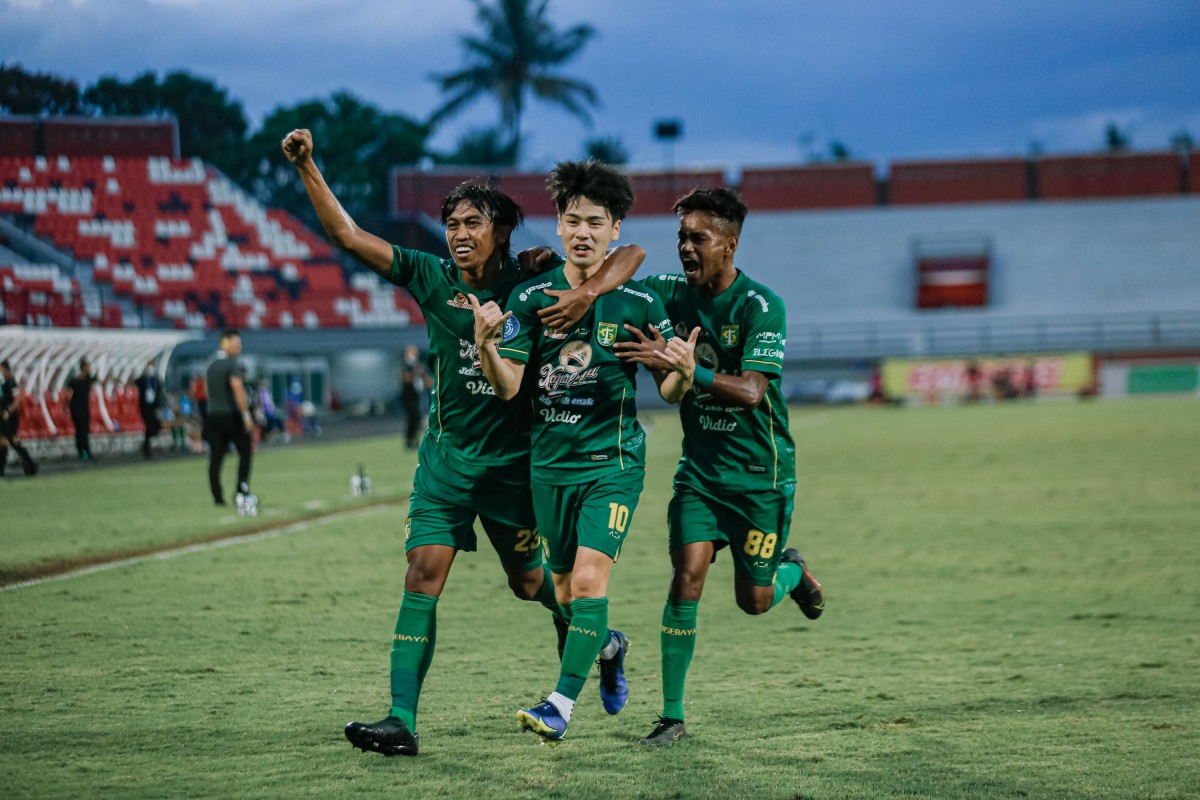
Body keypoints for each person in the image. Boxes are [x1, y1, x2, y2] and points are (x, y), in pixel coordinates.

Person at [282, 128, 642, 757]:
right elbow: (347, 235)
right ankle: (400, 720)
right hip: (446, 464)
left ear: (502, 231)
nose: (459, 234)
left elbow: (627, 254)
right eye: (451, 223)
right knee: (422, 573)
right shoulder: (431, 276)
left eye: (473, 222)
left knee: (529, 584)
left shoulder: (532, 280)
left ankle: (602, 642)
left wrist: (585, 290)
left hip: (516, 471)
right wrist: (309, 165)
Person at [472, 159, 697, 745]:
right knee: (567, 595)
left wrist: (683, 372)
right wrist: (486, 347)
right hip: (549, 466)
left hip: (612, 464)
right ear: (558, 223)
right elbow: (508, 386)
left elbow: (669, 392)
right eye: (573, 221)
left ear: (614, 229)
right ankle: (610, 646)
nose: (583, 232)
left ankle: (559, 705)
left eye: (596, 223)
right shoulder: (530, 297)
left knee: (592, 581)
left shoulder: (639, 301)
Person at [614, 188, 825, 746]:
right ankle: (672, 716)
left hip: (760, 478)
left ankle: (791, 573)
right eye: (681, 237)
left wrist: (691, 371)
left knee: (753, 602)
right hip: (701, 477)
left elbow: (754, 392)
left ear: (729, 245)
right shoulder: (669, 293)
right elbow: (621, 275)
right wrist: (551, 266)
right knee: (685, 580)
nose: (686, 247)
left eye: (698, 238)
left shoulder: (761, 305)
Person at [205, 329, 255, 511]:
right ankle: (241, 490)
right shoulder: (231, 364)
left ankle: (217, 497)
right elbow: (237, 388)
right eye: (237, 343)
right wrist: (246, 415)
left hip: (212, 415)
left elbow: (207, 390)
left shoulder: (210, 364)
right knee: (245, 451)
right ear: (226, 342)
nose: (239, 347)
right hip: (230, 415)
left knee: (216, 457)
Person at [0, 359, 39, 477]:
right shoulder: (5, 383)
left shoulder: (11, 382)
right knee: (5, 441)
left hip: (9, 418)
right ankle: (28, 465)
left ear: (5, 369)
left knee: (11, 441)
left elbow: (17, 399)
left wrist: (8, 411)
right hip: (4, 417)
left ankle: (30, 465)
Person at [64, 358, 97, 460]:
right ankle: (85, 451)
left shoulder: (75, 380)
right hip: (80, 407)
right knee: (82, 430)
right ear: (84, 368)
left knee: (80, 430)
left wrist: (65, 406)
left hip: (75, 406)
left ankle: (81, 452)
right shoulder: (85, 379)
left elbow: (67, 392)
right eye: (88, 367)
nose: (90, 369)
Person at [399, 344, 430, 450]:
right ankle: (409, 441)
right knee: (412, 418)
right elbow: (405, 379)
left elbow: (425, 380)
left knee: (417, 418)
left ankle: (415, 440)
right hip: (408, 396)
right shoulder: (406, 365)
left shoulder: (418, 365)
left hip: (417, 396)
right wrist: (415, 372)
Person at [134, 359, 164, 459]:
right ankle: (146, 448)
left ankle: (146, 445)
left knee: (155, 426)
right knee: (149, 426)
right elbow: (136, 382)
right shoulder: (142, 380)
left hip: (154, 407)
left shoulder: (155, 380)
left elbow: (160, 390)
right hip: (145, 407)